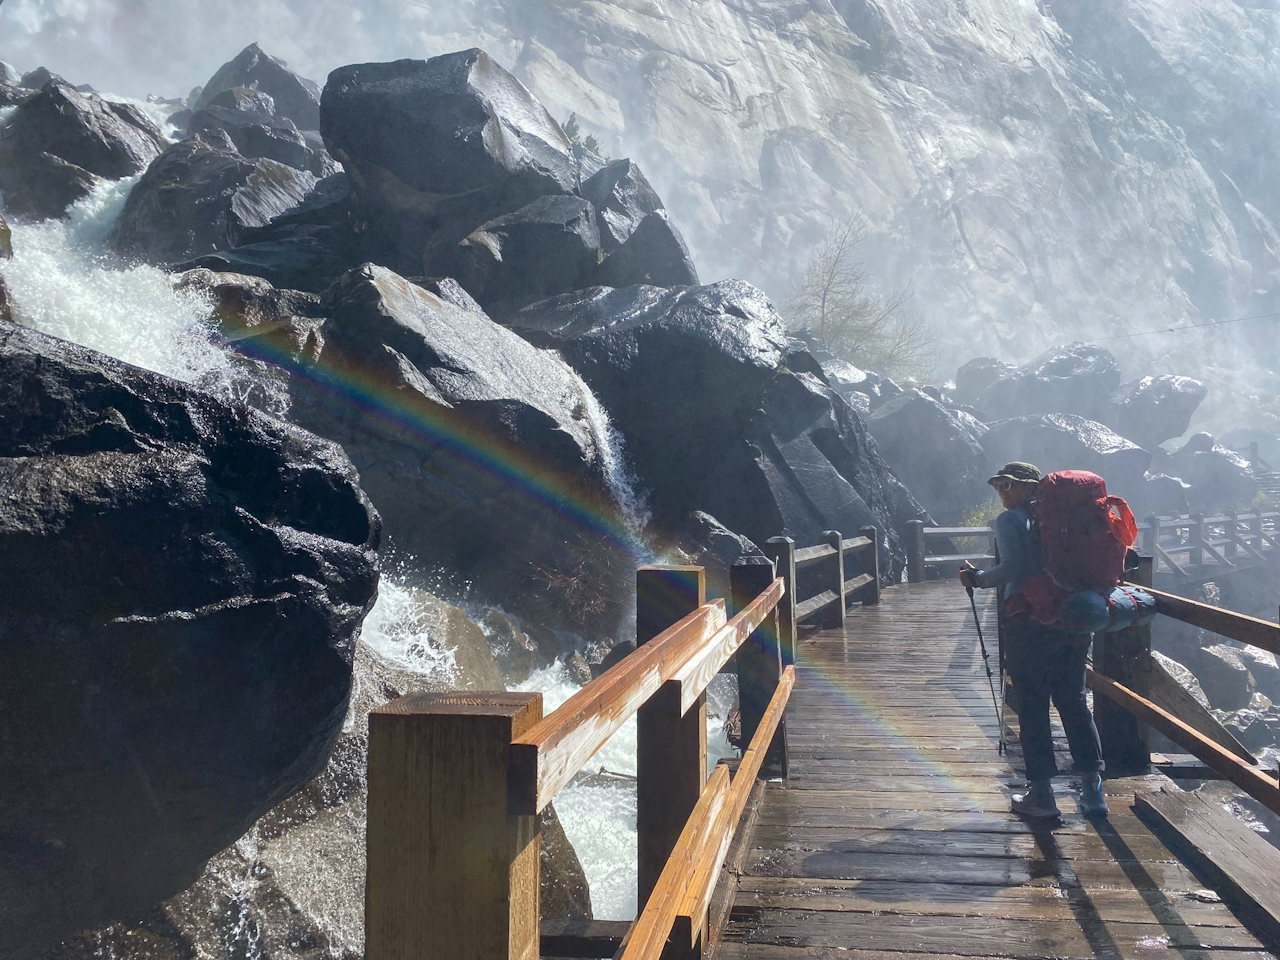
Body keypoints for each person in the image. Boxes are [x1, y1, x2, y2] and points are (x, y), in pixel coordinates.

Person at [957, 461, 1108, 819]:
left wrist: (976, 578)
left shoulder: (1010, 521)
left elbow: (1015, 569)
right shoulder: (1064, 520)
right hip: (1072, 616)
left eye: (1007, 485)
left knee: (1034, 705)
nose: (1001, 493)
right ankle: (1093, 794)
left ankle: (1042, 796)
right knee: (1073, 701)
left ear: (1029, 487)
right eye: (997, 486)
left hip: (1029, 620)